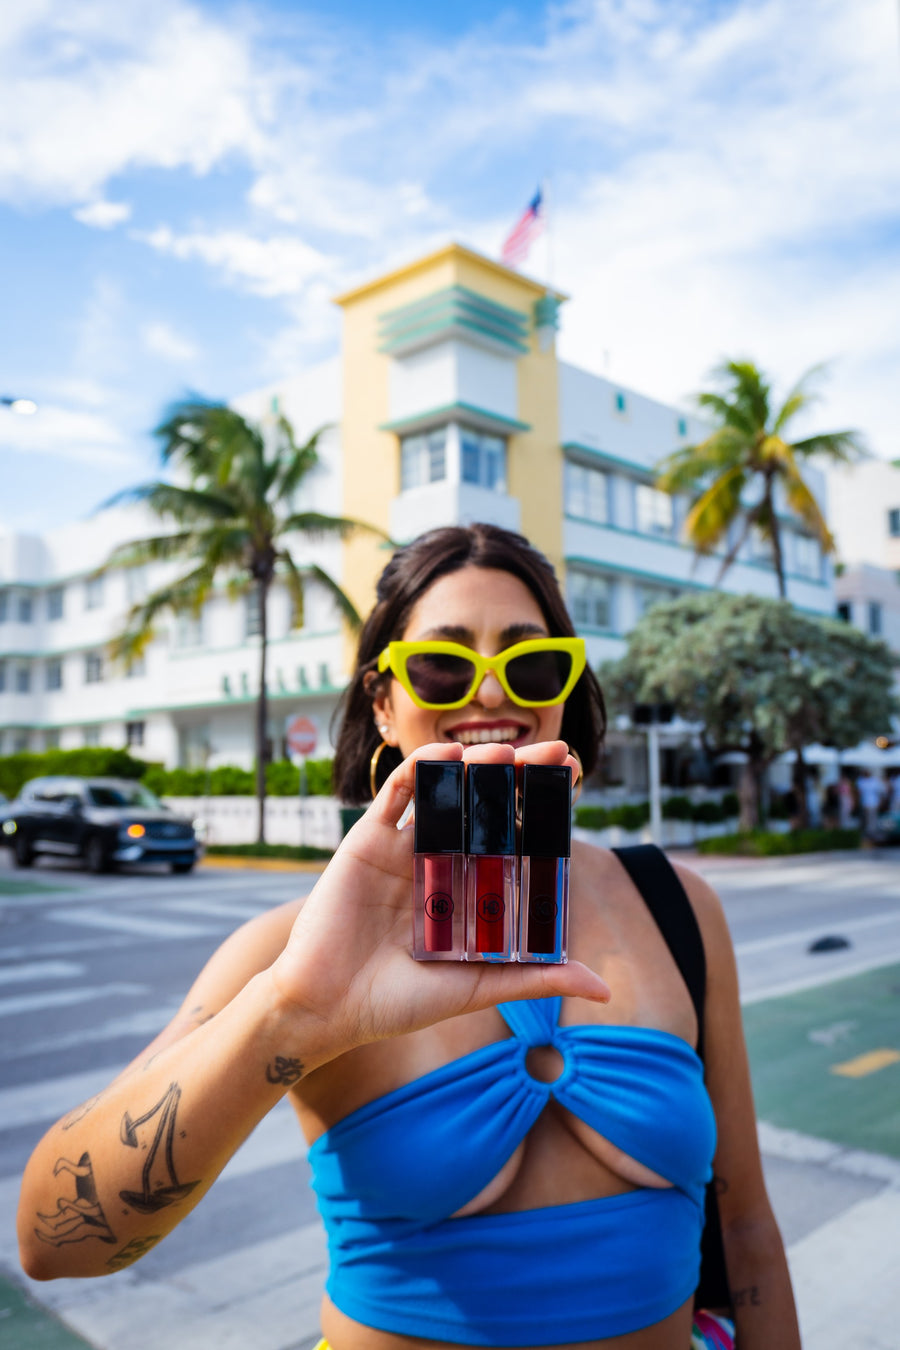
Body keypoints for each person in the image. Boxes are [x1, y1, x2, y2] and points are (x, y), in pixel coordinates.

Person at [18, 523, 800, 1350]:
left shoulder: (676, 905)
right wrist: (292, 1012)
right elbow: (52, 1243)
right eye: (443, 662)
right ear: (383, 702)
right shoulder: (293, 950)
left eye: (530, 661)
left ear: (566, 688)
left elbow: (745, 1224)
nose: (491, 693)